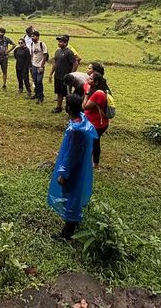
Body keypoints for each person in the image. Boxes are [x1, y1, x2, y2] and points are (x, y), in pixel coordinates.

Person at [48, 94, 97, 240]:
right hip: (81, 166)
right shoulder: (83, 120)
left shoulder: (76, 131)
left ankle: (67, 232)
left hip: (74, 169)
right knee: (75, 194)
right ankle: (72, 220)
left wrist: (63, 174)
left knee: (71, 196)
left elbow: (71, 155)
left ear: (68, 108)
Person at [82, 72, 109, 168]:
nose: (88, 79)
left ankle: (94, 163)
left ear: (96, 82)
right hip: (94, 122)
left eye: (91, 79)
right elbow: (85, 84)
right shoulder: (96, 89)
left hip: (97, 124)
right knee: (93, 142)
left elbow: (85, 106)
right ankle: (92, 162)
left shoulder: (98, 94)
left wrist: (87, 93)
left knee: (94, 143)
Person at [49, 36, 78, 113]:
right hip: (57, 75)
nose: (59, 43)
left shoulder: (69, 52)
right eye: (58, 42)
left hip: (65, 77)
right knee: (59, 92)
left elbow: (75, 63)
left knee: (68, 94)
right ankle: (59, 107)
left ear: (66, 43)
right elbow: (55, 63)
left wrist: (71, 74)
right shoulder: (58, 51)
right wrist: (51, 73)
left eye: (61, 42)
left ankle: (70, 109)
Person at [30, 30, 48, 103]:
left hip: (40, 66)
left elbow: (45, 55)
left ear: (37, 37)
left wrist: (42, 66)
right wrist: (31, 62)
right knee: (35, 80)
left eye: (33, 36)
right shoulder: (32, 44)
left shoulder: (42, 44)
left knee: (39, 81)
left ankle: (41, 97)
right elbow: (32, 53)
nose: (32, 38)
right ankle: (36, 94)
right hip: (33, 65)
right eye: (31, 36)